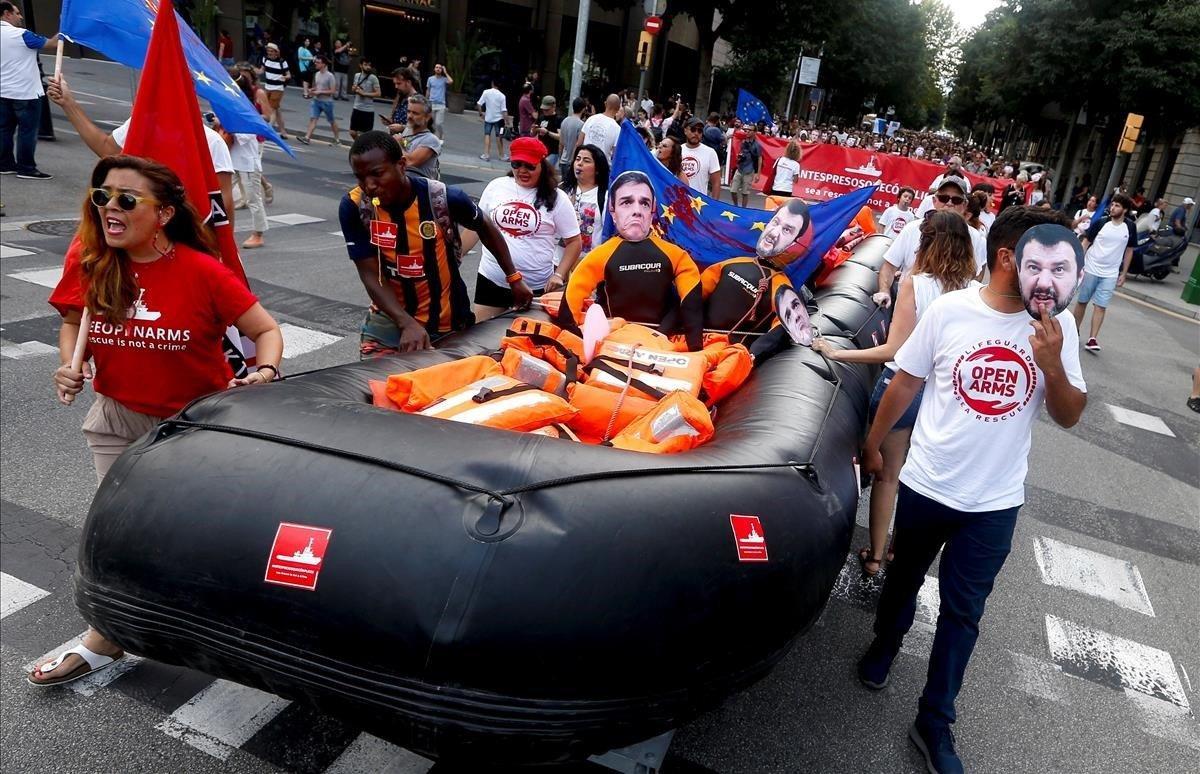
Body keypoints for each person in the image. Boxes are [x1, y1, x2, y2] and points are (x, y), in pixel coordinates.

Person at [30, 155, 283, 687]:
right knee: (117, 534)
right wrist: (67, 364)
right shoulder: (92, 258)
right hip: (117, 418)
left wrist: (264, 371)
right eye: (103, 196)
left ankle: (220, 618)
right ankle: (108, 635)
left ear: (164, 213)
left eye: (126, 199)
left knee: (189, 535)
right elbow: (75, 322)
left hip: (191, 429)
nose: (109, 207)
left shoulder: (202, 272)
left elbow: (266, 331)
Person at [857, 206, 1087, 774]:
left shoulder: (1059, 328)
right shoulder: (952, 312)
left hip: (994, 503)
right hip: (928, 484)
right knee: (903, 579)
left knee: (964, 613)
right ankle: (887, 641)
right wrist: (874, 441)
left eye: (1062, 267)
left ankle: (934, 720)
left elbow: (1069, 415)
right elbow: (907, 379)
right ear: (1011, 258)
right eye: (1040, 262)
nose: (1052, 279)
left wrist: (1052, 364)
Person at [813, 211, 979, 577]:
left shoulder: (917, 285)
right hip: (944, 396)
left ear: (927, 243)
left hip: (904, 389)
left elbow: (894, 350)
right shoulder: (972, 291)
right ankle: (899, 551)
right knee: (917, 476)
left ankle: (875, 555)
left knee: (888, 475)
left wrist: (838, 352)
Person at [339, 131, 531, 356]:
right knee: (377, 389)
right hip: (389, 321)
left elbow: (485, 226)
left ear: (401, 165)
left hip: (448, 322)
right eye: (360, 177)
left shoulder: (442, 198)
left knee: (444, 388)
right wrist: (405, 323)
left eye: (377, 174)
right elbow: (370, 273)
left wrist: (513, 277)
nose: (369, 186)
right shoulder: (354, 206)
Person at [46, 74, 236, 224]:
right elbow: (106, 148)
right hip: (140, 231)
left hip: (188, 236)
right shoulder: (139, 127)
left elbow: (222, 205)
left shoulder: (211, 142)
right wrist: (68, 103)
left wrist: (225, 254)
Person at [556, 170, 704, 350]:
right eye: (626, 202)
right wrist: (579, 347)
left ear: (653, 209)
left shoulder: (676, 256)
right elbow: (568, 313)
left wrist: (693, 350)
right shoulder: (600, 256)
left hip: (662, 343)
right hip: (612, 343)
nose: (637, 211)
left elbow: (691, 307)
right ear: (612, 209)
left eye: (644, 203)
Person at [465, 136, 580, 321]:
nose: (522, 171)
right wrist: (456, 254)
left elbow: (574, 241)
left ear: (542, 165)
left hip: (534, 286)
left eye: (530, 166)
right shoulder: (497, 186)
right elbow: (477, 227)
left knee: (523, 343)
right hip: (492, 279)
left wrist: (559, 275)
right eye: (516, 164)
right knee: (480, 340)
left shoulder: (557, 198)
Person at [700, 199, 813, 355]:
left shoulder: (784, 291)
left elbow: (781, 332)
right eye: (775, 222)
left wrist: (750, 356)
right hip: (691, 342)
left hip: (727, 356)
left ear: (796, 244)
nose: (774, 234)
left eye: (787, 230)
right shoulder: (729, 264)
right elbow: (692, 298)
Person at [877, 175, 984, 306]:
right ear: (934, 200)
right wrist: (884, 291)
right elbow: (889, 266)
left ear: (964, 205)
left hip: (949, 313)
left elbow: (974, 275)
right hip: (909, 308)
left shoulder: (974, 237)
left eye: (956, 200)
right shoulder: (913, 229)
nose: (949, 203)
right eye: (944, 198)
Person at [0, 1, 58, 180]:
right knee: (27, 131)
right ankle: (26, 168)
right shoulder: (22, 35)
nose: (20, 16)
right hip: (25, 92)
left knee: (4, 130)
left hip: (3, 91)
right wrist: (64, 30)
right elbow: (51, 44)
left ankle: (5, 164)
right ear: (6, 14)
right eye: (17, 13)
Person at [1074, 193, 1137, 352]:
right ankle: (1074, 331)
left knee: (1101, 306)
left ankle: (1092, 339)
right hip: (1091, 267)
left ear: (1125, 209)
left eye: (1117, 205)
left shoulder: (1130, 227)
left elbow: (1129, 250)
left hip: (1110, 273)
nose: (1113, 207)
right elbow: (1086, 241)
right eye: (1112, 204)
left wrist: (1124, 273)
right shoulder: (1101, 222)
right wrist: (1079, 264)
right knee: (1082, 301)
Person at [560, 143, 609, 262]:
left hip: (589, 263)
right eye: (577, 159)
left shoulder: (606, 196)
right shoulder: (561, 190)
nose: (580, 163)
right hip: (558, 260)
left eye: (586, 161)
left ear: (597, 169)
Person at [297, 56, 341, 146]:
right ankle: (307, 138)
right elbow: (317, 86)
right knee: (313, 119)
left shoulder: (330, 76)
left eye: (318, 62)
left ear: (323, 64)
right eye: (316, 62)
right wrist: (312, 90)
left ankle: (337, 140)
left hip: (327, 102)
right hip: (316, 101)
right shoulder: (317, 74)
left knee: (331, 121)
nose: (316, 64)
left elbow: (333, 91)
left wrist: (320, 91)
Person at [398, 94, 441, 180]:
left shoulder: (431, 140)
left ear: (427, 117)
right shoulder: (407, 131)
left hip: (419, 190)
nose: (410, 116)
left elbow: (409, 162)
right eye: (408, 111)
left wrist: (398, 143)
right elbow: (406, 147)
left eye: (415, 113)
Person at [256, 42, 291, 138]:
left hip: (278, 88)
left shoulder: (282, 62)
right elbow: (261, 71)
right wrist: (251, 69)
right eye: (268, 51)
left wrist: (285, 77)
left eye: (271, 51)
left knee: (271, 110)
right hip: (268, 87)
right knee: (277, 110)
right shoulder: (265, 59)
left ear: (276, 52)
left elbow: (289, 75)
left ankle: (268, 130)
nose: (269, 53)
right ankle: (283, 132)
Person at [681, 117, 722, 197]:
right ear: (685, 130)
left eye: (699, 131)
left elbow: (716, 182)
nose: (696, 133)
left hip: (699, 204)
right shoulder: (677, 151)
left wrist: (714, 205)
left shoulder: (710, 153)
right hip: (678, 203)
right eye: (693, 129)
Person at [579, 93, 622, 161]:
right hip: (603, 167)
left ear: (605, 104)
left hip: (585, 162)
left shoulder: (591, 119)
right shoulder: (618, 130)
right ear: (618, 108)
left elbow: (579, 143)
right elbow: (615, 155)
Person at [477, 77, 509, 162]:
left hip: (488, 118)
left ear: (492, 83)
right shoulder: (502, 96)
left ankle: (486, 154)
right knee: (500, 136)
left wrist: (481, 114)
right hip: (500, 120)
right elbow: (504, 110)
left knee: (487, 134)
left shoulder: (486, 92)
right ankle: (502, 155)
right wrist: (507, 121)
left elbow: (479, 103)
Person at [729, 124, 762, 207]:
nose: (747, 131)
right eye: (747, 130)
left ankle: (743, 209)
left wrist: (758, 174)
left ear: (754, 132)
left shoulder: (757, 145)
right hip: (740, 169)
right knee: (733, 190)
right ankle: (736, 206)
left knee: (745, 193)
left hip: (749, 170)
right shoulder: (742, 141)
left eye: (750, 130)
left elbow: (759, 159)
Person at [349, 58, 381, 140]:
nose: (368, 67)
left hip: (368, 110)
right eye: (365, 65)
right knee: (352, 132)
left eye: (369, 65)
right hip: (357, 108)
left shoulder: (373, 78)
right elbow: (354, 88)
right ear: (360, 65)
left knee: (366, 135)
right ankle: (359, 145)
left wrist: (364, 93)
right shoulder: (357, 76)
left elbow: (378, 93)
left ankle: (362, 148)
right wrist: (354, 89)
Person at [385, 66, 420, 137]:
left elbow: (421, 126)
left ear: (408, 82)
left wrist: (402, 128)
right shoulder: (402, 96)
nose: (396, 87)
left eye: (399, 83)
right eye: (395, 84)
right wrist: (390, 122)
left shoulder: (418, 101)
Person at [558, 97, 586, 181]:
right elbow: (578, 144)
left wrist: (560, 158)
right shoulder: (581, 125)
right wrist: (574, 160)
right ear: (583, 109)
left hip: (563, 160)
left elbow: (561, 142)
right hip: (572, 162)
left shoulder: (565, 121)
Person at [425, 63, 452, 139]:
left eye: (440, 68)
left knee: (439, 123)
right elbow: (428, 90)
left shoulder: (444, 79)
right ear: (434, 69)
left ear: (442, 70)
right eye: (436, 67)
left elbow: (451, 81)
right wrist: (426, 101)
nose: (438, 69)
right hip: (432, 103)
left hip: (441, 104)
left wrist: (446, 72)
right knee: (432, 123)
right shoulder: (430, 79)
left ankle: (441, 135)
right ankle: (433, 138)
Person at [534, 95, 562, 167]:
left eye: (547, 110)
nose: (544, 111)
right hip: (540, 150)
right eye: (543, 109)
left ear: (553, 107)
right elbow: (533, 134)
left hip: (552, 151)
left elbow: (560, 137)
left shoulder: (558, 119)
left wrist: (547, 132)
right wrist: (534, 130)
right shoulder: (541, 117)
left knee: (546, 170)